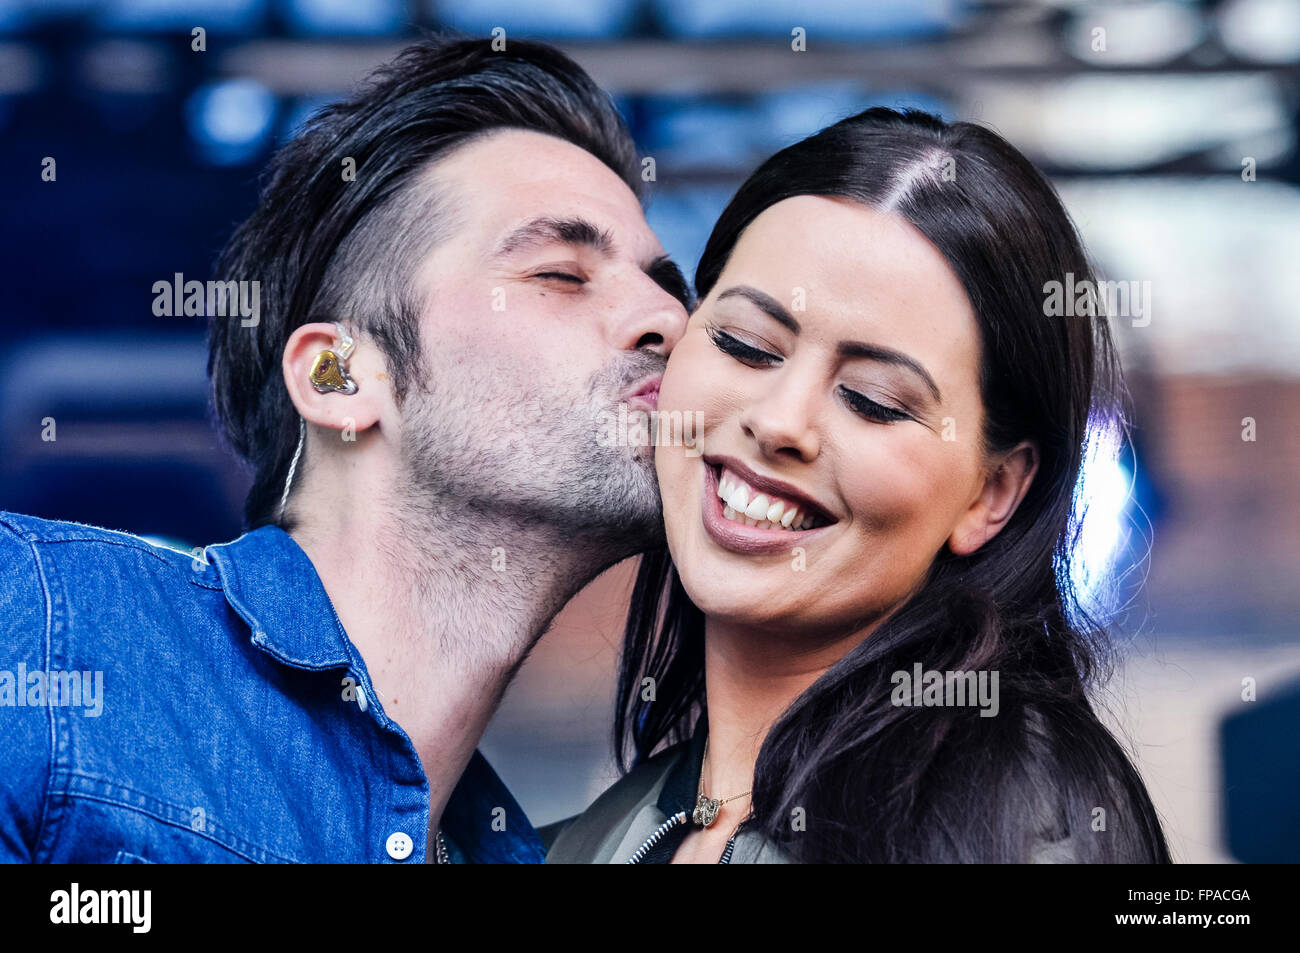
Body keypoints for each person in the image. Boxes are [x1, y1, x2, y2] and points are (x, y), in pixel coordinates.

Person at [0, 36, 688, 863]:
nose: (669, 321)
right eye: (561, 274)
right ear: (340, 378)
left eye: (667, 285)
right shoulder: (44, 626)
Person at [546, 107, 1171, 864]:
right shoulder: (598, 836)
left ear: (992, 492)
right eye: (746, 345)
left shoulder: (1023, 819)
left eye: (873, 399)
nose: (781, 422)